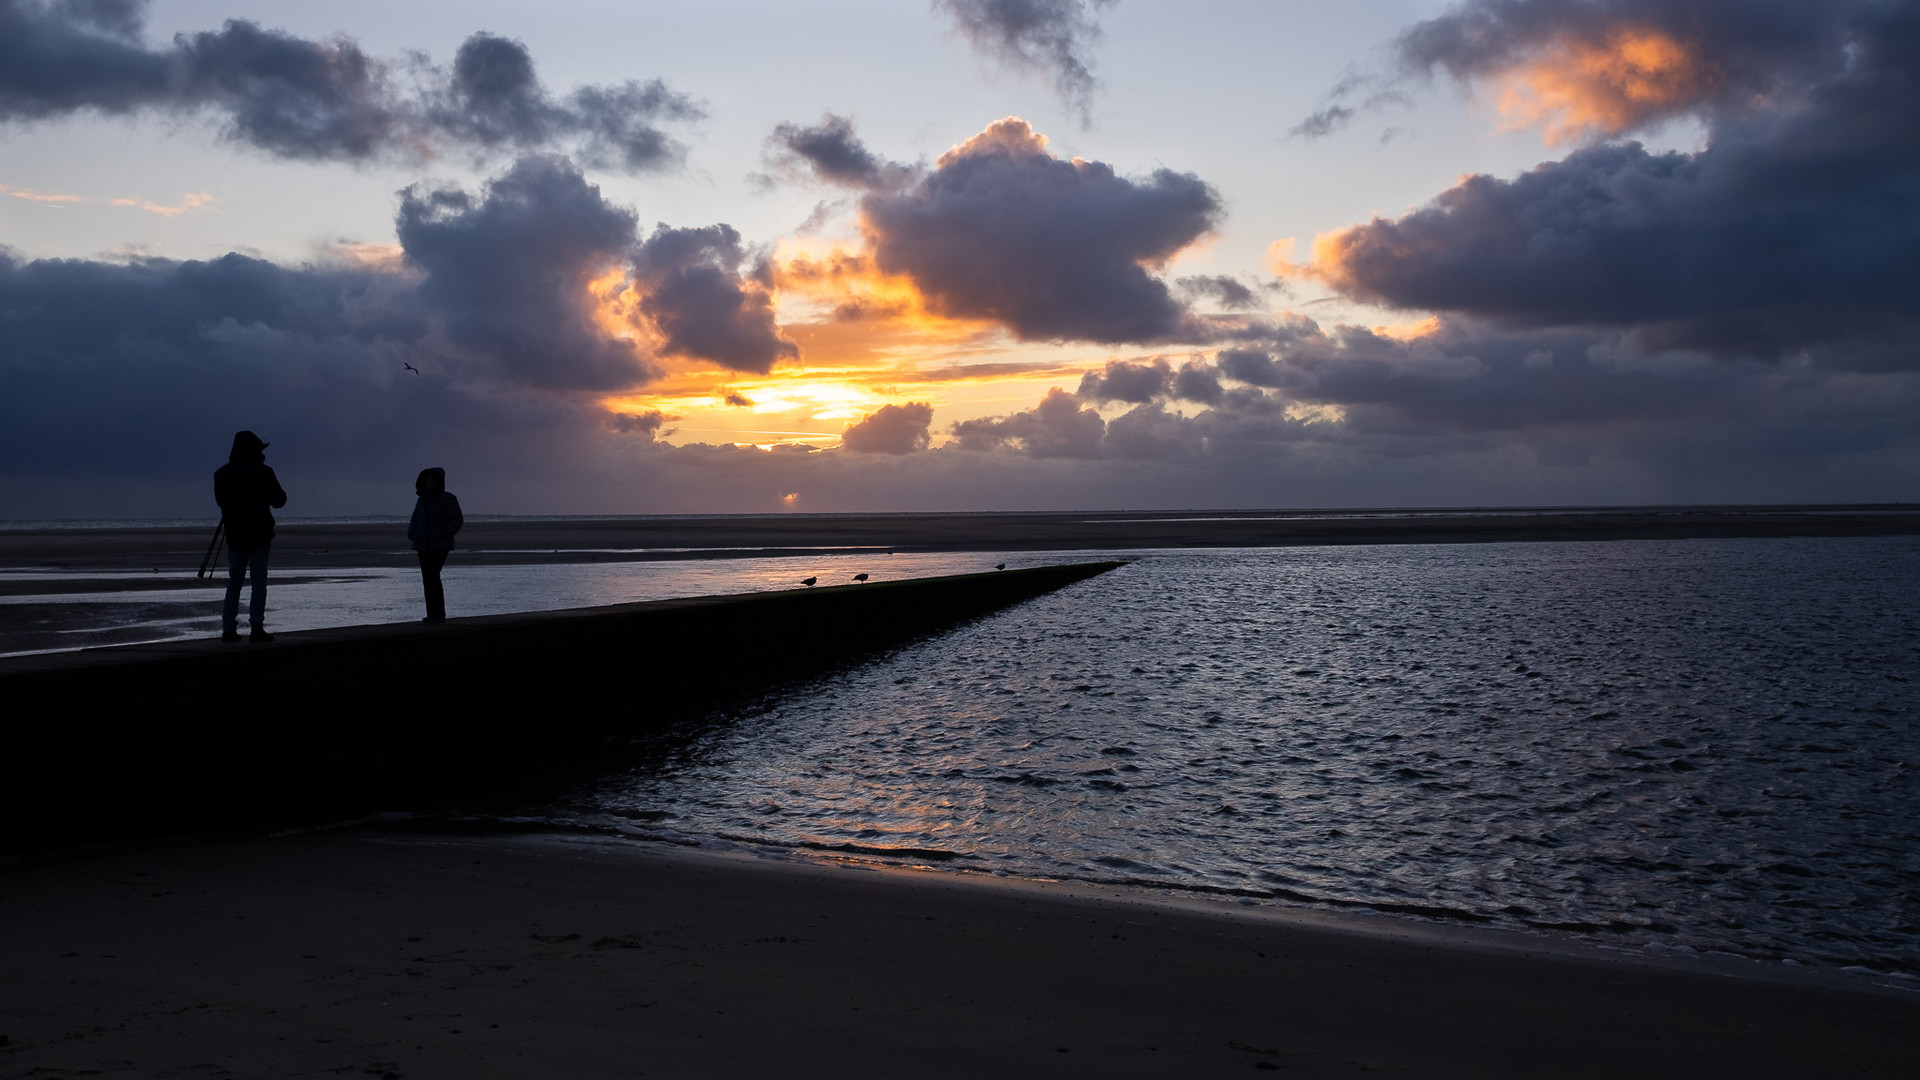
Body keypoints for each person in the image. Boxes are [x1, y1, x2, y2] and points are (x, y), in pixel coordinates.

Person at [213, 430, 288, 642]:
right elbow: (280, 501)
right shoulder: (264, 472)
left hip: (235, 535)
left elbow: (221, 502)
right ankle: (256, 626)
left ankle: (228, 628)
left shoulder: (221, 474)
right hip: (260, 534)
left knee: (234, 580)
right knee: (259, 580)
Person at [407, 467, 463, 623]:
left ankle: (438, 614)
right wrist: (411, 533)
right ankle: (432, 614)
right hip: (422, 544)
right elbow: (415, 519)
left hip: (440, 544)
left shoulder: (448, 498)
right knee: (427, 579)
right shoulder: (421, 499)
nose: (429, 482)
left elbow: (457, 520)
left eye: (432, 479)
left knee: (433, 576)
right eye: (427, 479)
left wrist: (445, 533)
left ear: (439, 481)